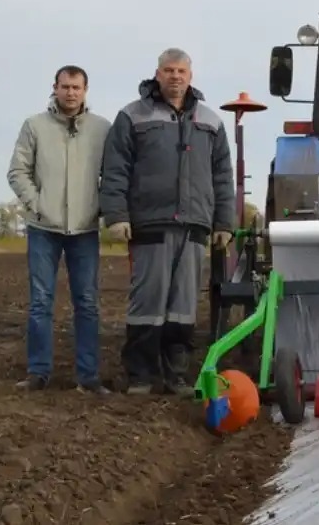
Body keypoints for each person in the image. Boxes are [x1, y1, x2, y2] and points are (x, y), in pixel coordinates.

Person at [99, 48, 236, 395]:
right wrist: (116, 215)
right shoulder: (132, 116)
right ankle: (141, 376)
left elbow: (222, 175)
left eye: (181, 71)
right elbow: (115, 170)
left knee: (183, 303)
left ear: (191, 76)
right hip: (151, 224)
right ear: (157, 74)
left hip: (194, 225)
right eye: (169, 70)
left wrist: (224, 223)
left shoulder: (211, 121)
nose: (175, 77)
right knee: (148, 301)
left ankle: (176, 374)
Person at [6, 65, 112, 394]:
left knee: (88, 303)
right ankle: (38, 372)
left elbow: (113, 175)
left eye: (76, 87)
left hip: (84, 229)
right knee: (40, 302)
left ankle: (88, 376)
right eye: (64, 87)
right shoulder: (34, 126)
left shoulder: (102, 129)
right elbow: (17, 171)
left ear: (85, 90)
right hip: (43, 228)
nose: (70, 93)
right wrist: (36, 203)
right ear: (54, 88)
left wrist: (102, 209)